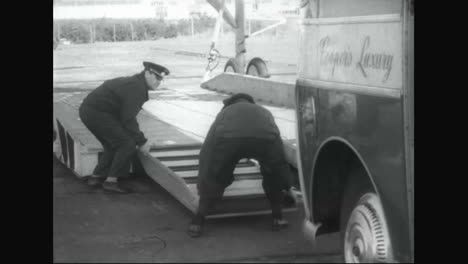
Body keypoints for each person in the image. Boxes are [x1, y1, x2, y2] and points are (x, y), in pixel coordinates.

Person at [188, 93, 296, 237]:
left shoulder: (226, 112)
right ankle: (278, 218)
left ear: (230, 104)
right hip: (264, 141)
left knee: (216, 176)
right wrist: (287, 185)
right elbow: (279, 157)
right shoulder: (264, 111)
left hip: (230, 141)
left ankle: (198, 221)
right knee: (272, 173)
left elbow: (207, 153)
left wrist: (204, 184)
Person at [78, 61, 169, 193]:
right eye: (157, 77)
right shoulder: (137, 87)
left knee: (112, 144)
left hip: (91, 111)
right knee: (127, 144)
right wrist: (141, 141)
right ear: (147, 73)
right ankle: (111, 182)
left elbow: (124, 117)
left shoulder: (136, 83)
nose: (159, 82)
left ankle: (96, 177)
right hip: (98, 113)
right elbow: (128, 118)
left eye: (161, 79)